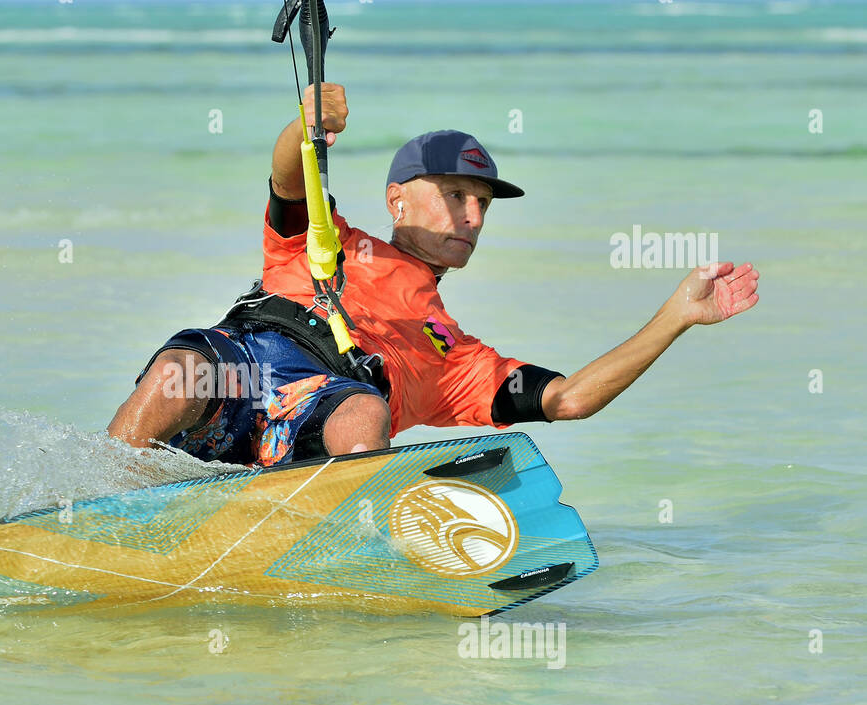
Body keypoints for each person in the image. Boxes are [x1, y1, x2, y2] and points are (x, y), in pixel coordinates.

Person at [107, 83, 760, 466]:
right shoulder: (330, 242)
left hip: (311, 431)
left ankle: (337, 543)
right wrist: (302, 128)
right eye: (453, 195)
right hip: (239, 370)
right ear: (398, 201)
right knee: (180, 371)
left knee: (363, 410)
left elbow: (571, 399)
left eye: (481, 204)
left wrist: (677, 315)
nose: (472, 215)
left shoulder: (455, 358)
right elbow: (286, 175)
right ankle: (92, 505)